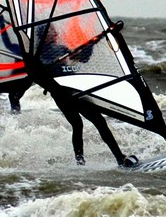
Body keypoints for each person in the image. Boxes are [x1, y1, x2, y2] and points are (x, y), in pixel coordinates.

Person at [32, 22, 139, 167]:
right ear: (43, 35)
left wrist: (96, 41)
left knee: (92, 124)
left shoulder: (60, 49)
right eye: (51, 31)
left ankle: (105, 159)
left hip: (74, 90)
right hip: (63, 94)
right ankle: (91, 160)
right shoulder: (40, 54)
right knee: (82, 124)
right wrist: (54, 63)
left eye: (54, 30)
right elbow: (39, 72)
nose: (55, 32)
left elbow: (82, 58)